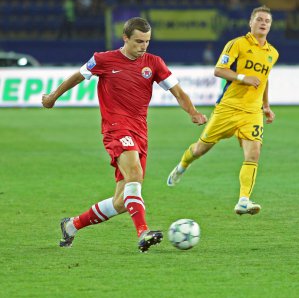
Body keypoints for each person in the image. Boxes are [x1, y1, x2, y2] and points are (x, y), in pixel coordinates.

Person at [42, 17, 207, 252]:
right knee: (135, 175)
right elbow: (77, 76)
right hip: (116, 128)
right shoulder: (103, 60)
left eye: (147, 41)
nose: (143, 46)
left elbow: (178, 92)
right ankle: (143, 232)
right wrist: (53, 97)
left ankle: (71, 225)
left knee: (121, 202)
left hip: (140, 131)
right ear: (125, 38)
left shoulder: (154, 63)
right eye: (139, 41)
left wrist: (193, 112)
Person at [167, 6, 279, 215]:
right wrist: (243, 78)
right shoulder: (237, 44)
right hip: (228, 108)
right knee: (201, 149)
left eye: (267, 21)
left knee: (253, 154)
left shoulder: (272, 53)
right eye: (259, 19)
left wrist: (266, 106)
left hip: (252, 112)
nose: (263, 23)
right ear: (251, 23)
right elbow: (219, 70)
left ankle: (243, 200)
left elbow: (264, 80)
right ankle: (182, 166)